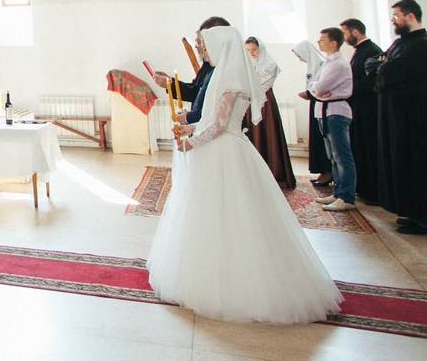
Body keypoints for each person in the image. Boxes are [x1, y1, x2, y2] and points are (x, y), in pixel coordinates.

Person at [147, 26, 342, 323]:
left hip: (226, 152)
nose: (204, 51)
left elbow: (222, 125)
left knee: (236, 215)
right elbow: (210, 118)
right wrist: (189, 127)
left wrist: (192, 140)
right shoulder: (221, 75)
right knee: (209, 215)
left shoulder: (233, 78)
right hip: (215, 149)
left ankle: (238, 282)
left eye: (207, 46)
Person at [376, 0, 427, 234]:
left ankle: (422, 217)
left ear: (410, 16)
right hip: (397, 114)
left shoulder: (421, 44)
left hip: (415, 116)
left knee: (417, 164)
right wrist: (385, 64)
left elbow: (389, 70)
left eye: (396, 15)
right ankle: (411, 212)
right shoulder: (399, 44)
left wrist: (385, 65)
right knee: (401, 163)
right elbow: (376, 65)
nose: (392, 20)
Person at [308, 27, 356, 211]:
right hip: (325, 112)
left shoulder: (339, 64)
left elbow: (319, 87)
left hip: (336, 111)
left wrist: (316, 90)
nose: (319, 42)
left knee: (342, 156)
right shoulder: (327, 62)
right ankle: (338, 192)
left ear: (333, 42)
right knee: (333, 156)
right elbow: (312, 83)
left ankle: (347, 197)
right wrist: (316, 89)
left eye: (322, 39)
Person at [150, 16, 231, 127]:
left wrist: (188, 117)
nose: (197, 47)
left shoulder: (223, 70)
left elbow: (214, 110)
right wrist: (170, 83)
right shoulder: (210, 64)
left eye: (201, 42)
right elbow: (198, 91)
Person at [243, 36, 297, 188]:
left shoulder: (269, 65)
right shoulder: (245, 65)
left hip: (264, 103)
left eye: (254, 49)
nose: (252, 53)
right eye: (248, 50)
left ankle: (274, 172)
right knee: (252, 134)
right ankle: (253, 173)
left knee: (267, 133)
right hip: (249, 102)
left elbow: (263, 86)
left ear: (261, 49)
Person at [340, 18, 383, 203]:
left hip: (368, 109)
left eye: (344, 33)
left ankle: (373, 191)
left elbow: (371, 82)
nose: (344, 37)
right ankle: (364, 187)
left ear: (355, 32)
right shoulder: (360, 51)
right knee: (360, 147)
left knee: (369, 148)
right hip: (359, 107)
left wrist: (346, 88)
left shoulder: (371, 50)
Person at [292, 39, 331, 187]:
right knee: (317, 137)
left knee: (322, 139)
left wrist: (309, 93)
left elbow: (322, 86)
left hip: (323, 105)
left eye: (299, 55)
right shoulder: (313, 65)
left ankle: (328, 172)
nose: (300, 58)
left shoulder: (322, 64)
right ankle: (322, 171)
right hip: (316, 103)